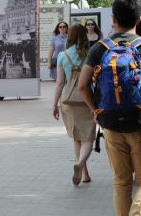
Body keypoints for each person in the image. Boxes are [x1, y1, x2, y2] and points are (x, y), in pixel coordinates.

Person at [78, 0, 141, 216]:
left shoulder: (100, 48)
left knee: (121, 183)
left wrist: (96, 112)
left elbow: (83, 86)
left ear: (113, 19)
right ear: (140, 19)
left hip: (111, 124)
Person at [53, 24, 95, 186]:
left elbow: (59, 82)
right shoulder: (91, 55)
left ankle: (84, 173)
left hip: (68, 100)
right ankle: (80, 165)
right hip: (87, 100)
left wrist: (54, 104)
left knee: (76, 138)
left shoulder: (63, 56)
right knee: (88, 138)